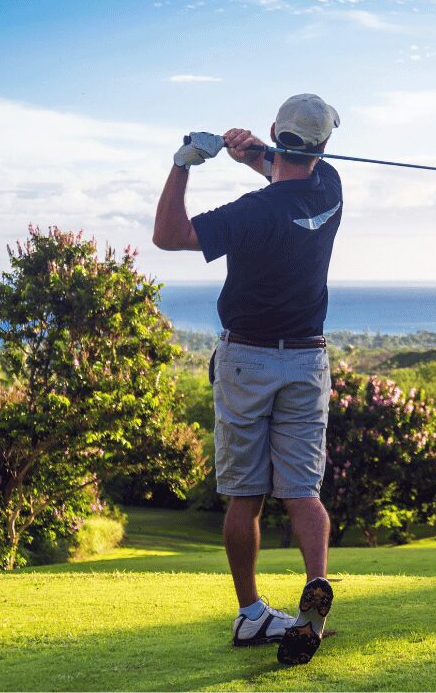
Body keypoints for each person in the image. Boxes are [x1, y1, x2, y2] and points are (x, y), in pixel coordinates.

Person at [151, 94, 343, 667]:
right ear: (325, 146)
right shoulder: (330, 187)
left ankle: (252, 614)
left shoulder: (251, 213)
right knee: (302, 492)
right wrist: (252, 155)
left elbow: (169, 235)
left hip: (247, 361)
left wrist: (184, 162)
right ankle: (315, 593)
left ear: (274, 132)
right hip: (308, 360)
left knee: (246, 495)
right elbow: (287, 170)